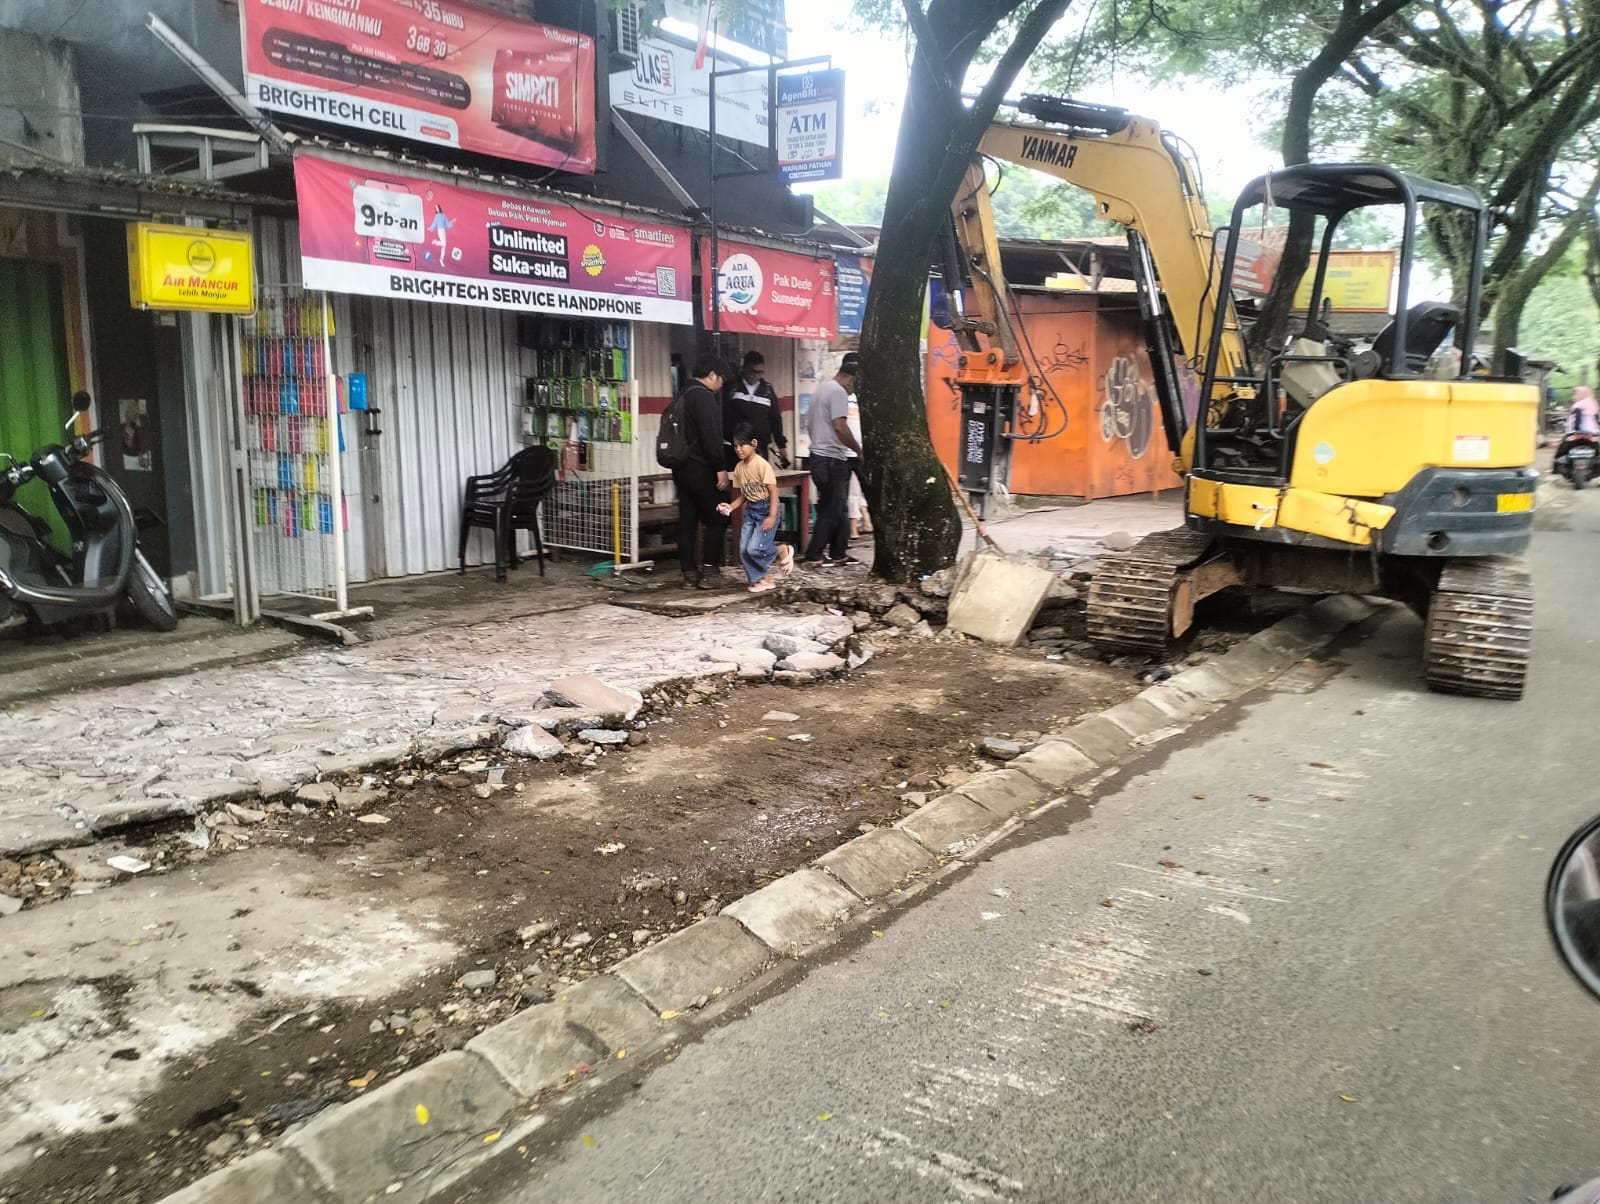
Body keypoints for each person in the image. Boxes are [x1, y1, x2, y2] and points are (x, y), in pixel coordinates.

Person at [672, 353, 731, 590]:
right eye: (721, 379)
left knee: (687, 521)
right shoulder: (704, 398)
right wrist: (720, 468)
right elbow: (711, 437)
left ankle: (688, 574)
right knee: (718, 517)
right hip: (702, 469)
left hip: (681, 468)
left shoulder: (682, 394)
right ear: (712, 375)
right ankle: (710, 570)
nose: (721, 385)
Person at [716, 424, 794, 594]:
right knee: (744, 549)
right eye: (735, 446)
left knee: (754, 548)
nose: (738, 449)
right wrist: (730, 506)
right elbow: (744, 495)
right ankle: (762, 579)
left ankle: (782, 550)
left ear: (753, 443)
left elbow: (773, 492)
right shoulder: (739, 469)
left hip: (767, 509)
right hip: (751, 511)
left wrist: (772, 516)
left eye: (742, 445)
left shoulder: (761, 465)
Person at [802, 353, 862, 566]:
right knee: (830, 509)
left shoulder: (822, 389)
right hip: (831, 458)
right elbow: (840, 426)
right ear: (852, 378)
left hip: (819, 455)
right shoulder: (838, 393)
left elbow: (809, 423)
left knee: (838, 506)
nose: (853, 389)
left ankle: (839, 551)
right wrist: (857, 449)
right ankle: (814, 553)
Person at [724, 351, 790, 467]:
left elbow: (775, 419)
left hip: (760, 448)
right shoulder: (732, 387)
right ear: (744, 368)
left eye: (760, 372)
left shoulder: (767, 390)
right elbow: (723, 415)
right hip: (736, 448)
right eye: (752, 371)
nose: (756, 376)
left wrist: (781, 446)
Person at [844, 392, 873, 542]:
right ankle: (867, 521)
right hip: (863, 449)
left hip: (849, 451)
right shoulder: (863, 397)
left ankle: (853, 528)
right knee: (860, 489)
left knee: (852, 491)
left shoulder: (842, 398)